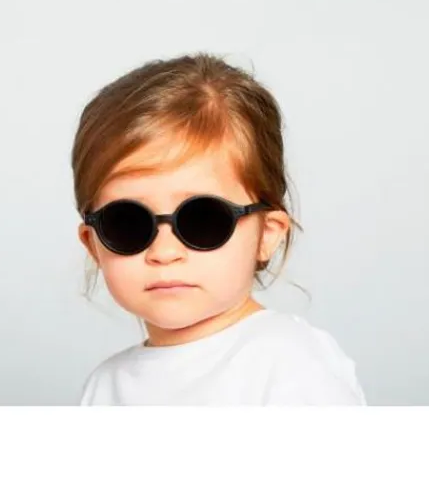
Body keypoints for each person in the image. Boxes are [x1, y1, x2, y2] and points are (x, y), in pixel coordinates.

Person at [71, 52, 366, 405]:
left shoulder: (290, 363)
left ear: (267, 234)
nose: (165, 252)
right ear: (94, 245)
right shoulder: (103, 386)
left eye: (203, 220)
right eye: (127, 223)